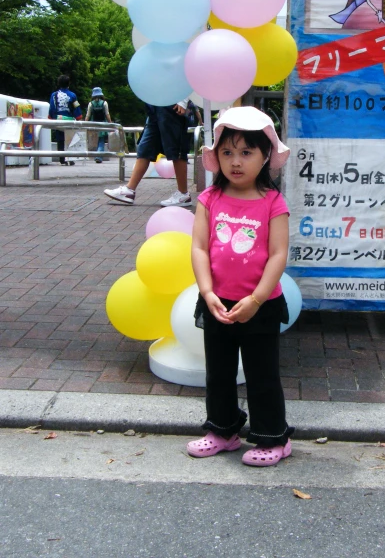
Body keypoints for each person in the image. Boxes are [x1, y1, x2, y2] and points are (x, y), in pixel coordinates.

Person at [187, 106, 293, 467]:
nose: (236, 161)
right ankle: (223, 431)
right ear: (216, 156)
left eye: (246, 152)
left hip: (259, 307)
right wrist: (207, 293)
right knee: (218, 372)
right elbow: (199, 247)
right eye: (227, 152)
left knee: (262, 375)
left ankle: (273, 438)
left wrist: (257, 298)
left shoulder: (273, 203)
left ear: (265, 158)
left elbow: (279, 254)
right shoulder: (209, 199)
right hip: (217, 303)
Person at [103, 101, 192, 207]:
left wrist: (183, 100)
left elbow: (190, 83)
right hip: (156, 103)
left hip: (172, 101)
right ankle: (129, 190)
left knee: (176, 148)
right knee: (145, 147)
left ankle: (183, 194)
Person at [48, 74, 82, 166]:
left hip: (58, 119)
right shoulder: (73, 95)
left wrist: (51, 117)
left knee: (60, 139)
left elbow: (52, 107)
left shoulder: (53, 95)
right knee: (70, 139)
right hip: (69, 119)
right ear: (68, 83)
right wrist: (79, 117)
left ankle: (61, 158)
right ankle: (70, 158)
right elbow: (76, 107)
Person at [85, 87, 112, 163]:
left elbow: (88, 115)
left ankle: (97, 155)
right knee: (101, 141)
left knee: (95, 141)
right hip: (102, 124)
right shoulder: (104, 103)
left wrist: (84, 124)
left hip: (94, 124)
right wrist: (110, 123)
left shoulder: (91, 104)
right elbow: (107, 114)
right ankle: (99, 156)